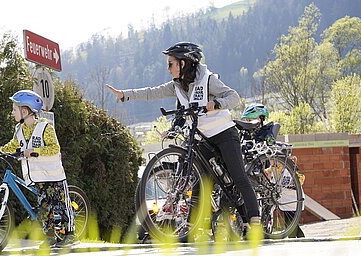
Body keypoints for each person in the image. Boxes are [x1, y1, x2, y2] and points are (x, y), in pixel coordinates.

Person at [106, 42, 260, 227]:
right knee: (198, 181)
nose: (168, 68)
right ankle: (192, 226)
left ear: (184, 63)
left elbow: (233, 96)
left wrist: (217, 103)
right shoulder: (177, 86)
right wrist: (125, 94)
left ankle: (255, 220)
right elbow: (152, 92)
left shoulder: (208, 80)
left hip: (223, 133)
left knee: (238, 176)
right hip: (202, 138)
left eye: (171, 63)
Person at [0, 90, 76, 248]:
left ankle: (70, 235)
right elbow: (13, 145)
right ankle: (49, 237)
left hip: (54, 175)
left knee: (60, 204)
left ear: (25, 111)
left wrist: (35, 152)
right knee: (44, 207)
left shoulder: (45, 127)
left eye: (14, 109)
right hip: (38, 177)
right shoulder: (19, 130)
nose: (12, 112)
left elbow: (55, 148)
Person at [241, 103, 305, 238]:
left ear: (261, 119)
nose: (248, 124)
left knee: (290, 224)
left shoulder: (267, 136)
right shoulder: (247, 137)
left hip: (279, 186)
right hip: (264, 180)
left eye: (250, 120)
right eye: (246, 121)